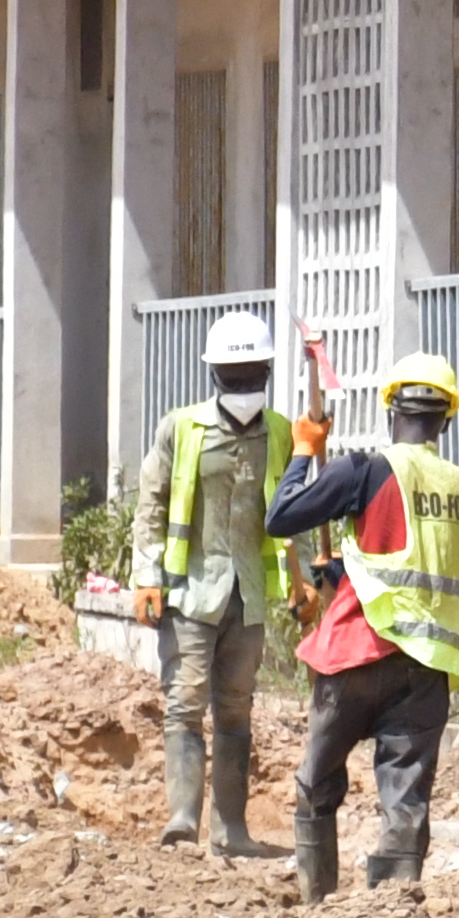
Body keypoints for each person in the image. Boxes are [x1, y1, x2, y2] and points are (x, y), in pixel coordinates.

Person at [265, 351, 459, 901]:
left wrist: (303, 451)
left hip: (358, 653)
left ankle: (320, 910)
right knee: (405, 807)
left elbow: (281, 516)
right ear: (448, 419)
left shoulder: (364, 470)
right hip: (427, 668)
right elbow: (423, 564)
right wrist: (341, 570)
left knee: (316, 786)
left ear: (391, 408)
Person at [122, 307, 293, 856]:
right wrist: (147, 575)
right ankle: (180, 822)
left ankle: (231, 831)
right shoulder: (182, 429)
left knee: (236, 709)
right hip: (192, 592)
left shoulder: (284, 434)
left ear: (267, 372)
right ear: (214, 375)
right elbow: (150, 505)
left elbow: (298, 510)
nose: (244, 387)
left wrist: (304, 579)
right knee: (185, 703)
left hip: (247, 598)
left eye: (252, 376)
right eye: (234, 376)